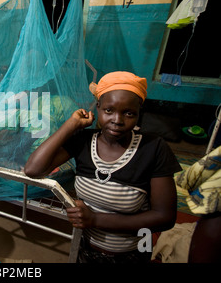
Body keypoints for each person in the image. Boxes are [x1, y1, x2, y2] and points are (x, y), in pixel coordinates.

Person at [24, 71, 181, 263]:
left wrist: (96, 220)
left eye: (129, 113)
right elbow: (33, 169)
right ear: (97, 108)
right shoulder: (83, 141)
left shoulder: (153, 148)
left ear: (139, 112)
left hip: (132, 253)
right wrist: (70, 125)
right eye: (108, 110)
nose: (117, 120)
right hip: (85, 246)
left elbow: (164, 217)